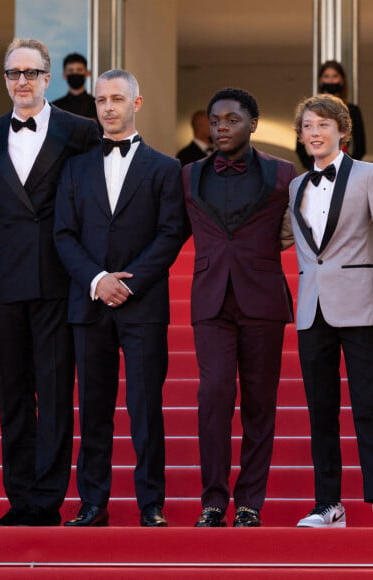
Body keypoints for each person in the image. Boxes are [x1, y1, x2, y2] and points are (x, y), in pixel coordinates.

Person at [0, 38, 100, 527]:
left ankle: (47, 500)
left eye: (30, 72)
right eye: (13, 73)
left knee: (52, 390)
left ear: (47, 77)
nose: (21, 81)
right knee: (13, 391)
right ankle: (20, 497)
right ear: (5, 79)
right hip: (4, 277)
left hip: (57, 275)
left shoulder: (80, 130)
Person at [54, 69, 186, 528]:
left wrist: (129, 283)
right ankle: (93, 502)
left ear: (137, 103)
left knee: (146, 408)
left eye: (116, 99)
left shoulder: (166, 168)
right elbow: (64, 234)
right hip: (88, 304)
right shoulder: (74, 168)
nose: (107, 107)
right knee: (93, 408)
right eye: (101, 100)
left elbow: (172, 233)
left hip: (143, 306)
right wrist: (97, 279)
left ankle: (151, 504)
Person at [182, 87, 297, 528]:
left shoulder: (284, 173)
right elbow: (170, 231)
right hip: (210, 298)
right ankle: (213, 501)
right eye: (215, 121)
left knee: (259, 403)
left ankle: (249, 502)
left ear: (253, 122)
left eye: (231, 119)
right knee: (213, 397)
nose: (222, 127)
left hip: (263, 298)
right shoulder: (188, 174)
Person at [290, 94, 373, 528]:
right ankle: (329, 504)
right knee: (320, 410)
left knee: (369, 406)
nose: (314, 133)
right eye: (307, 126)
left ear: (343, 130)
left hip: (362, 308)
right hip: (312, 311)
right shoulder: (296, 186)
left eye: (323, 124)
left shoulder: (367, 176)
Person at [296, 60, 366, 170]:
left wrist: (349, 167)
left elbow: (360, 146)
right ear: (320, 80)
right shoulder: (310, 110)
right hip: (317, 164)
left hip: (344, 164)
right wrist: (311, 165)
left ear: (342, 80)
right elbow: (299, 145)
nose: (331, 80)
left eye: (335, 76)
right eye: (326, 76)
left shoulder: (352, 110)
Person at [52, 52, 97, 119]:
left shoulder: (97, 106)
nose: (75, 73)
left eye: (79, 70)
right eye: (70, 70)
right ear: (64, 75)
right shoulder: (55, 108)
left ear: (87, 73)